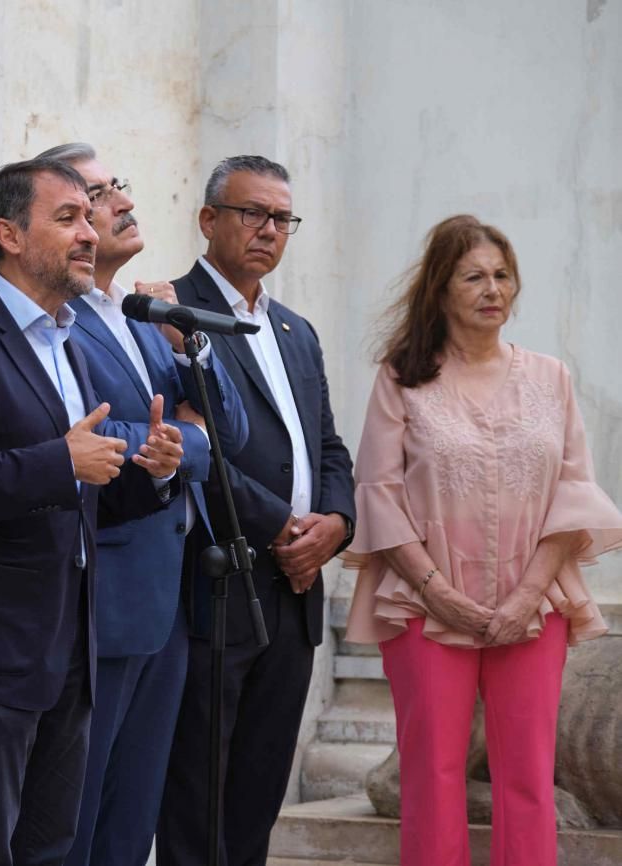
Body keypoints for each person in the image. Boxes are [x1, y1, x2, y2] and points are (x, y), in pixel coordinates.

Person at [0, 156, 186, 866]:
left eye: (89, 216)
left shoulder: (64, 340)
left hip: (66, 649)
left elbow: (74, 488)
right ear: (9, 235)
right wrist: (61, 461)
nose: (88, 233)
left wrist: (148, 472)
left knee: (50, 850)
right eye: (68, 219)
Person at [343, 214, 622, 866]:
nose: (492, 289)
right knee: (432, 775)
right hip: (422, 605)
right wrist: (439, 595)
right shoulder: (403, 378)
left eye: (502, 276)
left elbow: (573, 492)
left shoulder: (551, 378)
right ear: (441, 289)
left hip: (532, 606)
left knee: (528, 778)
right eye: (474, 276)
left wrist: (527, 594)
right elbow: (378, 494)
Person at [29, 143, 248, 866]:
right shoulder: (62, 319)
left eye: (119, 186)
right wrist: (184, 439)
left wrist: (193, 349)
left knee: (133, 822)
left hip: (167, 602)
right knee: (79, 819)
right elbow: (98, 439)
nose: (123, 202)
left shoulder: (138, 312)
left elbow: (229, 433)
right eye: (99, 194)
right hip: (103, 598)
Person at [157, 155, 356, 866]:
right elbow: (194, 447)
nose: (269, 229)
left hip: (296, 588)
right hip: (216, 584)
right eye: (252, 213)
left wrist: (334, 526)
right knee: (196, 799)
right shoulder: (168, 312)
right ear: (208, 219)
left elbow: (327, 444)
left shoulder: (294, 330)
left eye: (282, 218)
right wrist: (282, 527)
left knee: (258, 797)